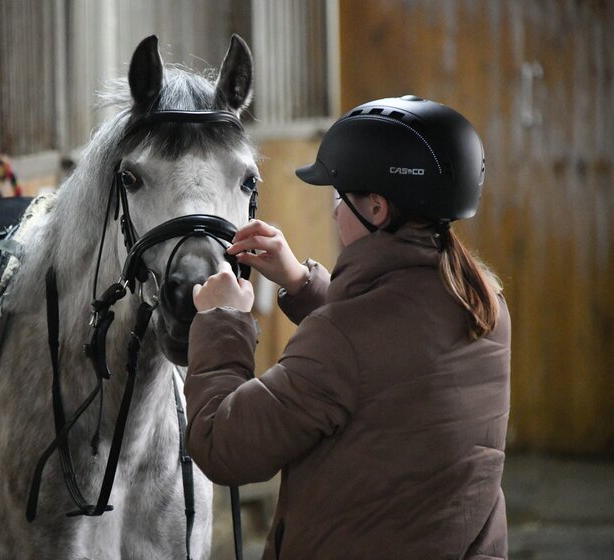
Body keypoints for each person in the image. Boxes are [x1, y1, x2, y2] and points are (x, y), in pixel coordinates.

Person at [185, 96, 510, 559]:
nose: (333, 211)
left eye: (339, 197)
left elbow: (222, 445)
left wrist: (223, 322)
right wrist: (301, 280)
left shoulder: (343, 338)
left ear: (376, 209)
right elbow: (386, 357)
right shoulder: (482, 303)